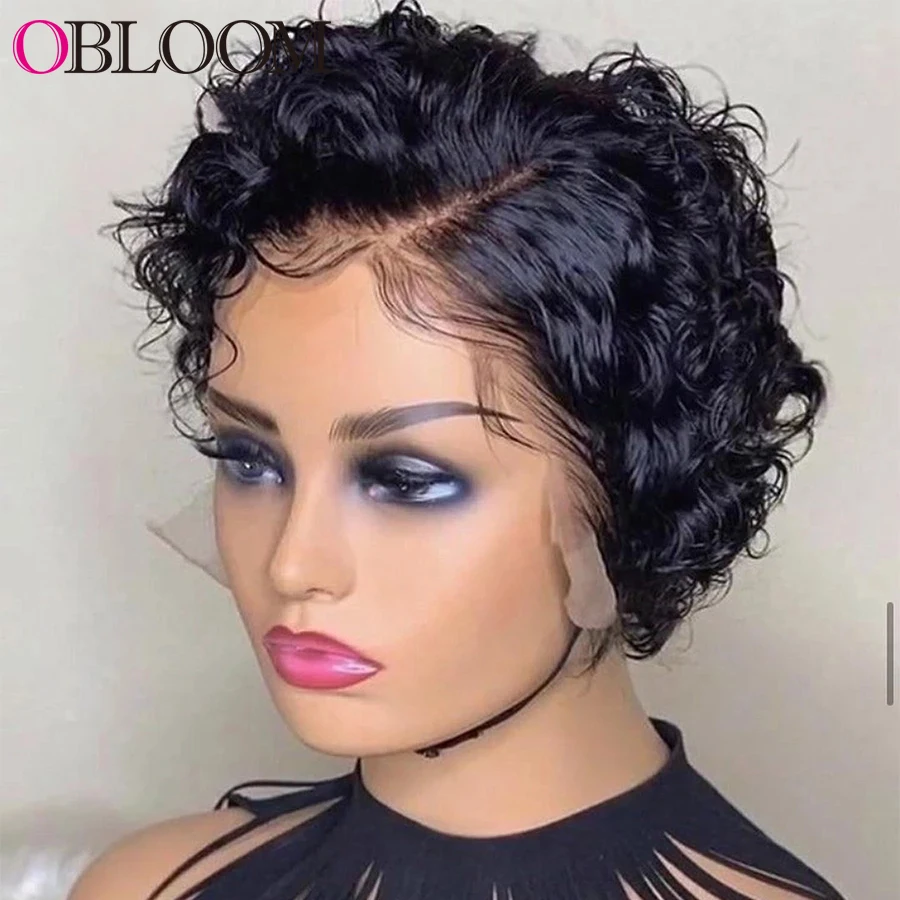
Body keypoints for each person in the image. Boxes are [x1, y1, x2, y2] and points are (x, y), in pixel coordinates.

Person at [71, 2, 847, 898]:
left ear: (627, 485)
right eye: (251, 460)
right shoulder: (146, 887)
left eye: (405, 480)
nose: (293, 564)